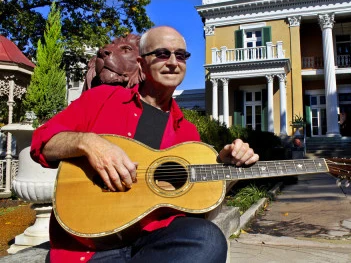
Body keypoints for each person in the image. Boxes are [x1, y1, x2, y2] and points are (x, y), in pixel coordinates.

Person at [30, 26, 259, 263]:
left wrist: (226, 171)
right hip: (89, 247)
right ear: (141, 63)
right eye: (162, 53)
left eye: (180, 55)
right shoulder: (101, 99)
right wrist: (88, 142)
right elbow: (42, 143)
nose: (173, 62)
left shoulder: (188, 133)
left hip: (154, 244)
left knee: (209, 239)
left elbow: (200, 215)